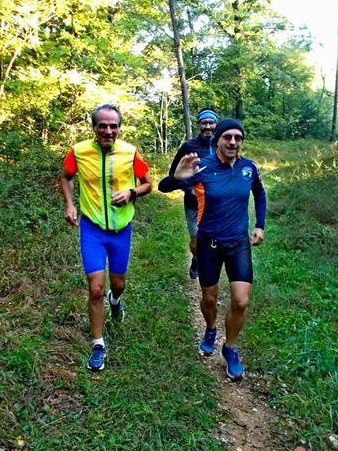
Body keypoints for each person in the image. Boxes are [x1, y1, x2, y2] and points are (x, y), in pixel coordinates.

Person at [158, 118, 266, 381]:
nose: (233, 142)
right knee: (209, 298)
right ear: (217, 139)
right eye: (227, 137)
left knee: (241, 301)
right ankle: (209, 328)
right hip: (209, 244)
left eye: (238, 138)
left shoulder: (248, 167)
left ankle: (230, 348)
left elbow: (260, 194)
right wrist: (177, 177)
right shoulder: (202, 167)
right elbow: (164, 187)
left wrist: (260, 225)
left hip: (238, 244)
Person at [61, 104, 152, 371]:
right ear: (94, 127)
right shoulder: (79, 151)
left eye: (113, 126)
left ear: (119, 128)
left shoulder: (129, 152)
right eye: (103, 125)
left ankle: (116, 300)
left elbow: (149, 183)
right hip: (92, 228)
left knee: (118, 284)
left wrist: (131, 193)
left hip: (121, 230)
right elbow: (66, 178)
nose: (108, 131)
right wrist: (70, 204)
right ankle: (98, 344)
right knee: (95, 288)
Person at [167, 108, 219, 279]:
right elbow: (174, 174)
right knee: (196, 241)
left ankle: (209, 270)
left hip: (215, 204)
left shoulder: (221, 144)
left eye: (211, 123)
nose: (208, 126)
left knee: (213, 239)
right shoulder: (189, 146)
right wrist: (188, 188)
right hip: (193, 202)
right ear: (199, 125)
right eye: (204, 123)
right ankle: (196, 259)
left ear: (216, 124)